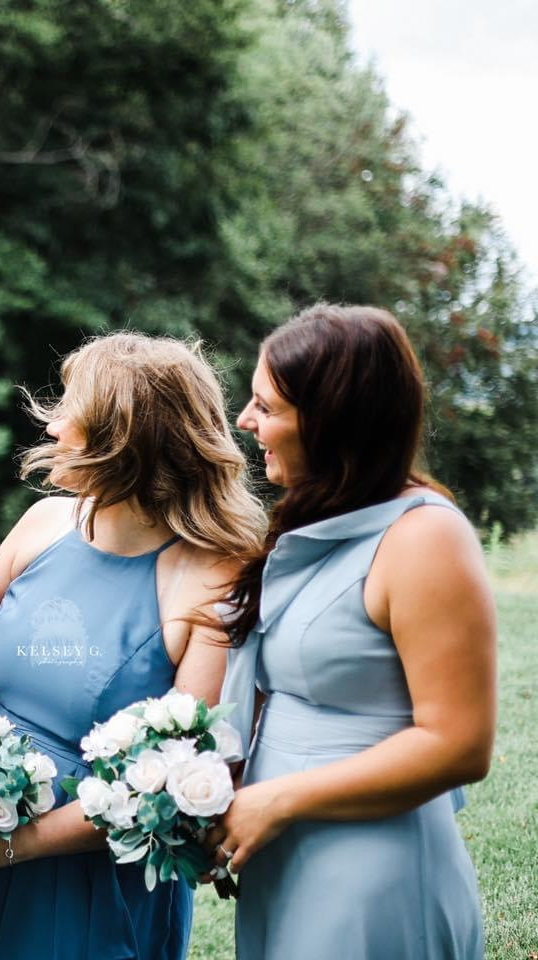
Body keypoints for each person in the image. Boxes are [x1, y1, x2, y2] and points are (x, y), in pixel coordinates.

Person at [0, 333, 267, 960]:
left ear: (124, 438)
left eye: (73, 408)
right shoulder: (42, 525)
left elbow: (177, 776)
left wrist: (13, 847)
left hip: (94, 868)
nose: (53, 422)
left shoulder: (215, 576)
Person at [209, 304, 494, 958]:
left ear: (335, 421)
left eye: (267, 407)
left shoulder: (424, 538)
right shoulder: (316, 523)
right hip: (288, 856)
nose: (246, 422)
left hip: (371, 866)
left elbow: (459, 745)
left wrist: (276, 801)